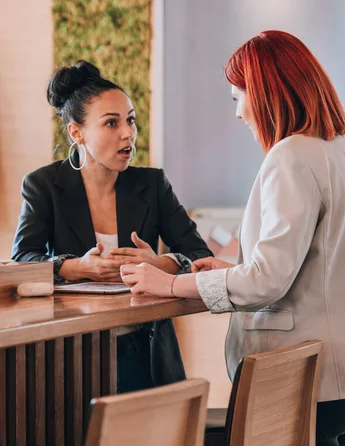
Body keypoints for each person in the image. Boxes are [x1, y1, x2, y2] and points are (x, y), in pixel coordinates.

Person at [121, 30, 345, 446]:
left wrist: (172, 282)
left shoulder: (290, 156)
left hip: (300, 390)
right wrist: (217, 268)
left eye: (239, 95)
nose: (237, 110)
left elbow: (269, 279)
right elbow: (301, 263)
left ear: (267, 92)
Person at [12, 60, 212, 393]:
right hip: (72, 357)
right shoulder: (43, 185)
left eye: (130, 120)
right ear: (76, 133)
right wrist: (77, 268)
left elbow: (199, 254)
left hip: (149, 353)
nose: (128, 133)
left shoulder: (152, 183)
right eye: (111, 123)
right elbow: (21, 263)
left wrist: (159, 265)